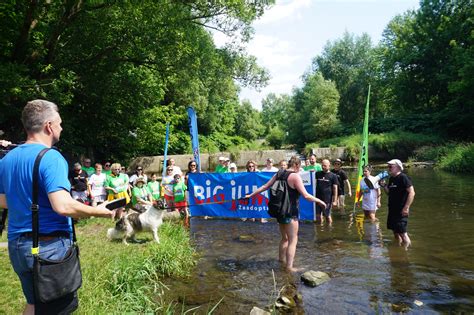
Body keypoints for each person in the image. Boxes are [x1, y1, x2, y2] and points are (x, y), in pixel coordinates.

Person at [0, 99, 115, 314]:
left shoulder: (7, 159)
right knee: (59, 308)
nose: (61, 128)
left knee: (34, 302)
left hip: (17, 246)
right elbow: (62, 206)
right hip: (48, 246)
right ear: (49, 126)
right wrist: (98, 211)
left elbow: (2, 199)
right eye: (59, 123)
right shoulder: (51, 157)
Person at [245, 156, 326, 272]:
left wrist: (250, 195)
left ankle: (281, 261)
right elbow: (306, 196)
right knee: (293, 240)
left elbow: (265, 186)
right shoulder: (295, 176)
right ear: (297, 165)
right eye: (300, 167)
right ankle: (289, 267)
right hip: (290, 212)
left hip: (279, 211)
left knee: (284, 239)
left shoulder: (279, 173)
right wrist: (320, 201)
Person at [381, 159, 415, 248]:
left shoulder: (403, 177)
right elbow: (389, 193)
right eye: (388, 166)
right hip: (392, 210)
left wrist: (406, 207)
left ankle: (406, 255)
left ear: (398, 167)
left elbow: (412, 192)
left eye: (390, 166)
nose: (389, 168)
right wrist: (384, 186)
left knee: (403, 234)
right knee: (395, 232)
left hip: (401, 210)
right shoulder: (392, 178)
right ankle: (398, 250)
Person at [315, 159, 338, 224]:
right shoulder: (317, 174)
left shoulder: (333, 176)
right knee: (318, 216)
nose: (323, 167)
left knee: (327, 216)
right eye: (322, 165)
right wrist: (310, 172)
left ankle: (330, 228)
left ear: (329, 166)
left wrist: (335, 200)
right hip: (318, 198)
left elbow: (335, 188)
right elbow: (310, 180)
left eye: (325, 166)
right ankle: (320, 229)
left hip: (327, 199)